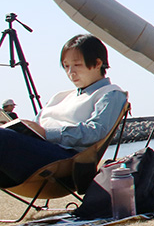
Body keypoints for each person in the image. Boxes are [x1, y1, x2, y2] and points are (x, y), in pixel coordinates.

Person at [0, 35, 127, 187]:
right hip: (37, 151)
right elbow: (35, 127)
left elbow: (95, 131)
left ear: (98, 63)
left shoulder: (110, 93)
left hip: (65, 162)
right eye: (66, 66)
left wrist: (47, 133)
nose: (71, 72)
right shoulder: (60, 96)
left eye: (77, 65)